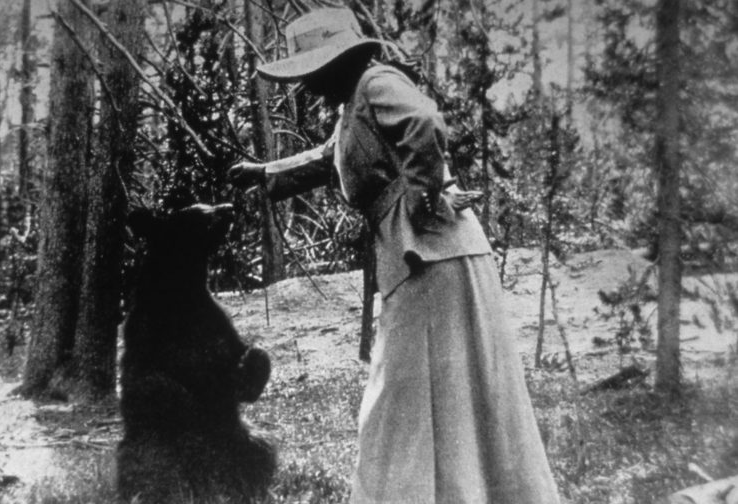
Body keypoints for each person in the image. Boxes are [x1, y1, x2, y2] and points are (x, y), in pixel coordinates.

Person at [228, 7, 561, 503]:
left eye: (313, 72)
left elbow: (424, 121)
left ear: (337, 63)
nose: (309, 86)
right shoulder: (352, 107)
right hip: (427, 255)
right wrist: (264, 171)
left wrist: (424, 196)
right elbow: (328, 159)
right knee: (439, 389)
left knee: (403, 393)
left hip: (431, 252)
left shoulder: (376, 82)